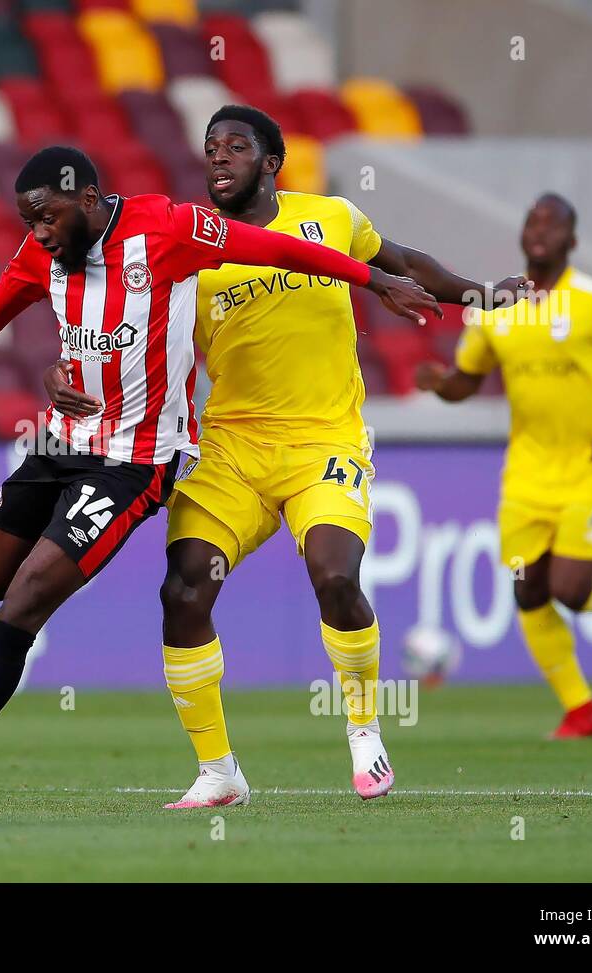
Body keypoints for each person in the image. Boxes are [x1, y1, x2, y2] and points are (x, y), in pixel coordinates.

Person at [0, 144, 438, 810]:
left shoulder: (170, 230)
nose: (38, 233)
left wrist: (370, 278)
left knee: (24, 602)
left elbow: (273, 250)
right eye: (28, 220)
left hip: (134, 463)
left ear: (88, 201)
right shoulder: (44, 254)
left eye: (47, 217)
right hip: (60, 445)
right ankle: (219, 774)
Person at [47, 106, 530, 805]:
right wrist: (66, 372)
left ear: (271, 162)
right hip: (233, 449)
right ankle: (219, 773)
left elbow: (402, 264)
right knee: (184, 589)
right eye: (210, 148)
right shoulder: (192, 247)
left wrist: (481, 294)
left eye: (235, 147)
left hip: (323, 441)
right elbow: (113, 322)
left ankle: (364, 731)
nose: (218, 159)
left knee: (334, 576)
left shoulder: (330, 217)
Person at [415, 192, 592, 738]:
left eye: (552, 223)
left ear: (572, 241)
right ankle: (581, 708)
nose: (539, 229)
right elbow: (467, 380)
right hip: (526, 473)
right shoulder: (497, 307)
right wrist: (439, 384)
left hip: (587, 469)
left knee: (573, 590)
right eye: (532, 220)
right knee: (528, 588)